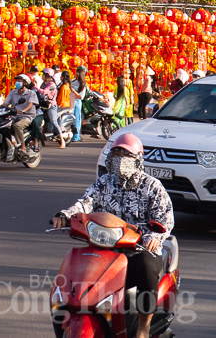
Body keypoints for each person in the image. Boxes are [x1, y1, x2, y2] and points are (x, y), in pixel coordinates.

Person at [51, 133, 173, 338]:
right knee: (77, 267)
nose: (118, 158)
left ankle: (143, 326)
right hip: (104, 248)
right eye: (115, 153)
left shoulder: (152, 186)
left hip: (137, 250)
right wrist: (66, 215)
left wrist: (154, 237)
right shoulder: (104, 182)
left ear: (137, 158)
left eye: (124, 154)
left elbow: (166, 218)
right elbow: (85, 203)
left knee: (147, 266)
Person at [4, 75, 39, 157]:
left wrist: (23, 110)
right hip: (14, 116)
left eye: (20, 81)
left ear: (25, 83)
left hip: (27, 116)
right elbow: (5, 103)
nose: (17, 83)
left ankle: (22, 147)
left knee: (17, 126)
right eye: (17, 81)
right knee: (4, 125)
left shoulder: (31, 93)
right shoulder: (13, 93)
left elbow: (30, 104)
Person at [38, 68, 65, 149]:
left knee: (53, 122)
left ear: (47, 75)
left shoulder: (52, 84)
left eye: (43, 74)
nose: (42, 75)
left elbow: (43, 92)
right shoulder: (43, 84)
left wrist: (35, 87)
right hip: (43, 105)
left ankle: (62, 140)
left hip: (51, 106)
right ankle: (41, 140)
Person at [71, 66, 88, 142]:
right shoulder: (73, 81)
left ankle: (76, 136)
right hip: (70, 102)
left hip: (77, 103)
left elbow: (81, 96)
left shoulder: (82, 85)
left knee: (77, 119)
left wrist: (73, 91)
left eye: (76, 73)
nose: (75, 74)